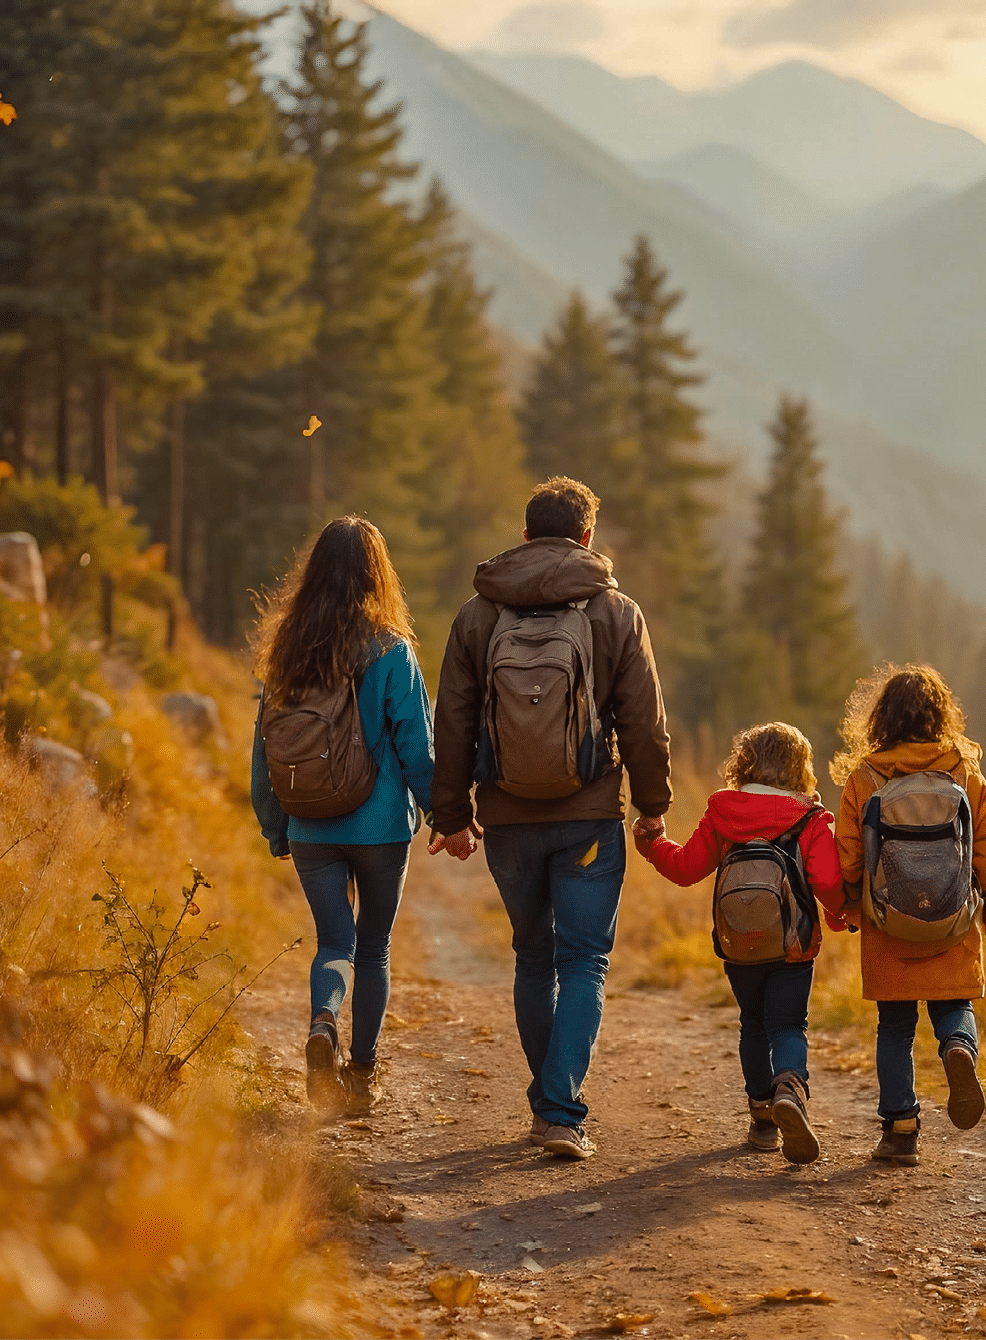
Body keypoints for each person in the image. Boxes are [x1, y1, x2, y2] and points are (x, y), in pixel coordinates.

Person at [429, 476, 671, 1161]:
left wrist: (451, 814)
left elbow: (451, 722)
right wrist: (652, 808)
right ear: (587, 537)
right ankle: (560, 1110)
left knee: (533, 957)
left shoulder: (479, 614)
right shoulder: (614, 611)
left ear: (527, 533)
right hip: (589, 814)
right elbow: (645, 723)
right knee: (585, 959)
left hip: (507, 818)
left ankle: (548, 1101)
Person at [250, 516, 435, 1116]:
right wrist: (446, 815)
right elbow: (416, 747)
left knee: (335, 942)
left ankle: (323, 1024)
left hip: (309, 824)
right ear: (377, 574)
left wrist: (276, 824)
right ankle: (361, 1075)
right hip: (380, 826)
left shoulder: (286, 649)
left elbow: (265, 747)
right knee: (374, 947)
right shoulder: (391, 649)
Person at [832, 664, 986, 1164]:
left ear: (882, 720)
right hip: (953, 922)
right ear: (941, 716)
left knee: (894, 1027)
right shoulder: (964, 773)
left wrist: (850, 908)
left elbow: (848, 856)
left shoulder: (865, 777)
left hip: (887, 925)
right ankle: (958, 1046)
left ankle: (900, 1128)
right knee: (954, 1005)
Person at [634, 722, 847, 1164]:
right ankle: (790, 1087)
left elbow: (687, 867)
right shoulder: (809, 817)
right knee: (788, 1025)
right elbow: (827, 880)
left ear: (743, 765)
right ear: (799, 769)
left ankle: (762, 1117)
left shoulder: (723, 812)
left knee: (752, 1023)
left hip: (738, 947)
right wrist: (842, 915)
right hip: (793, 946)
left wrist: (654, 845)